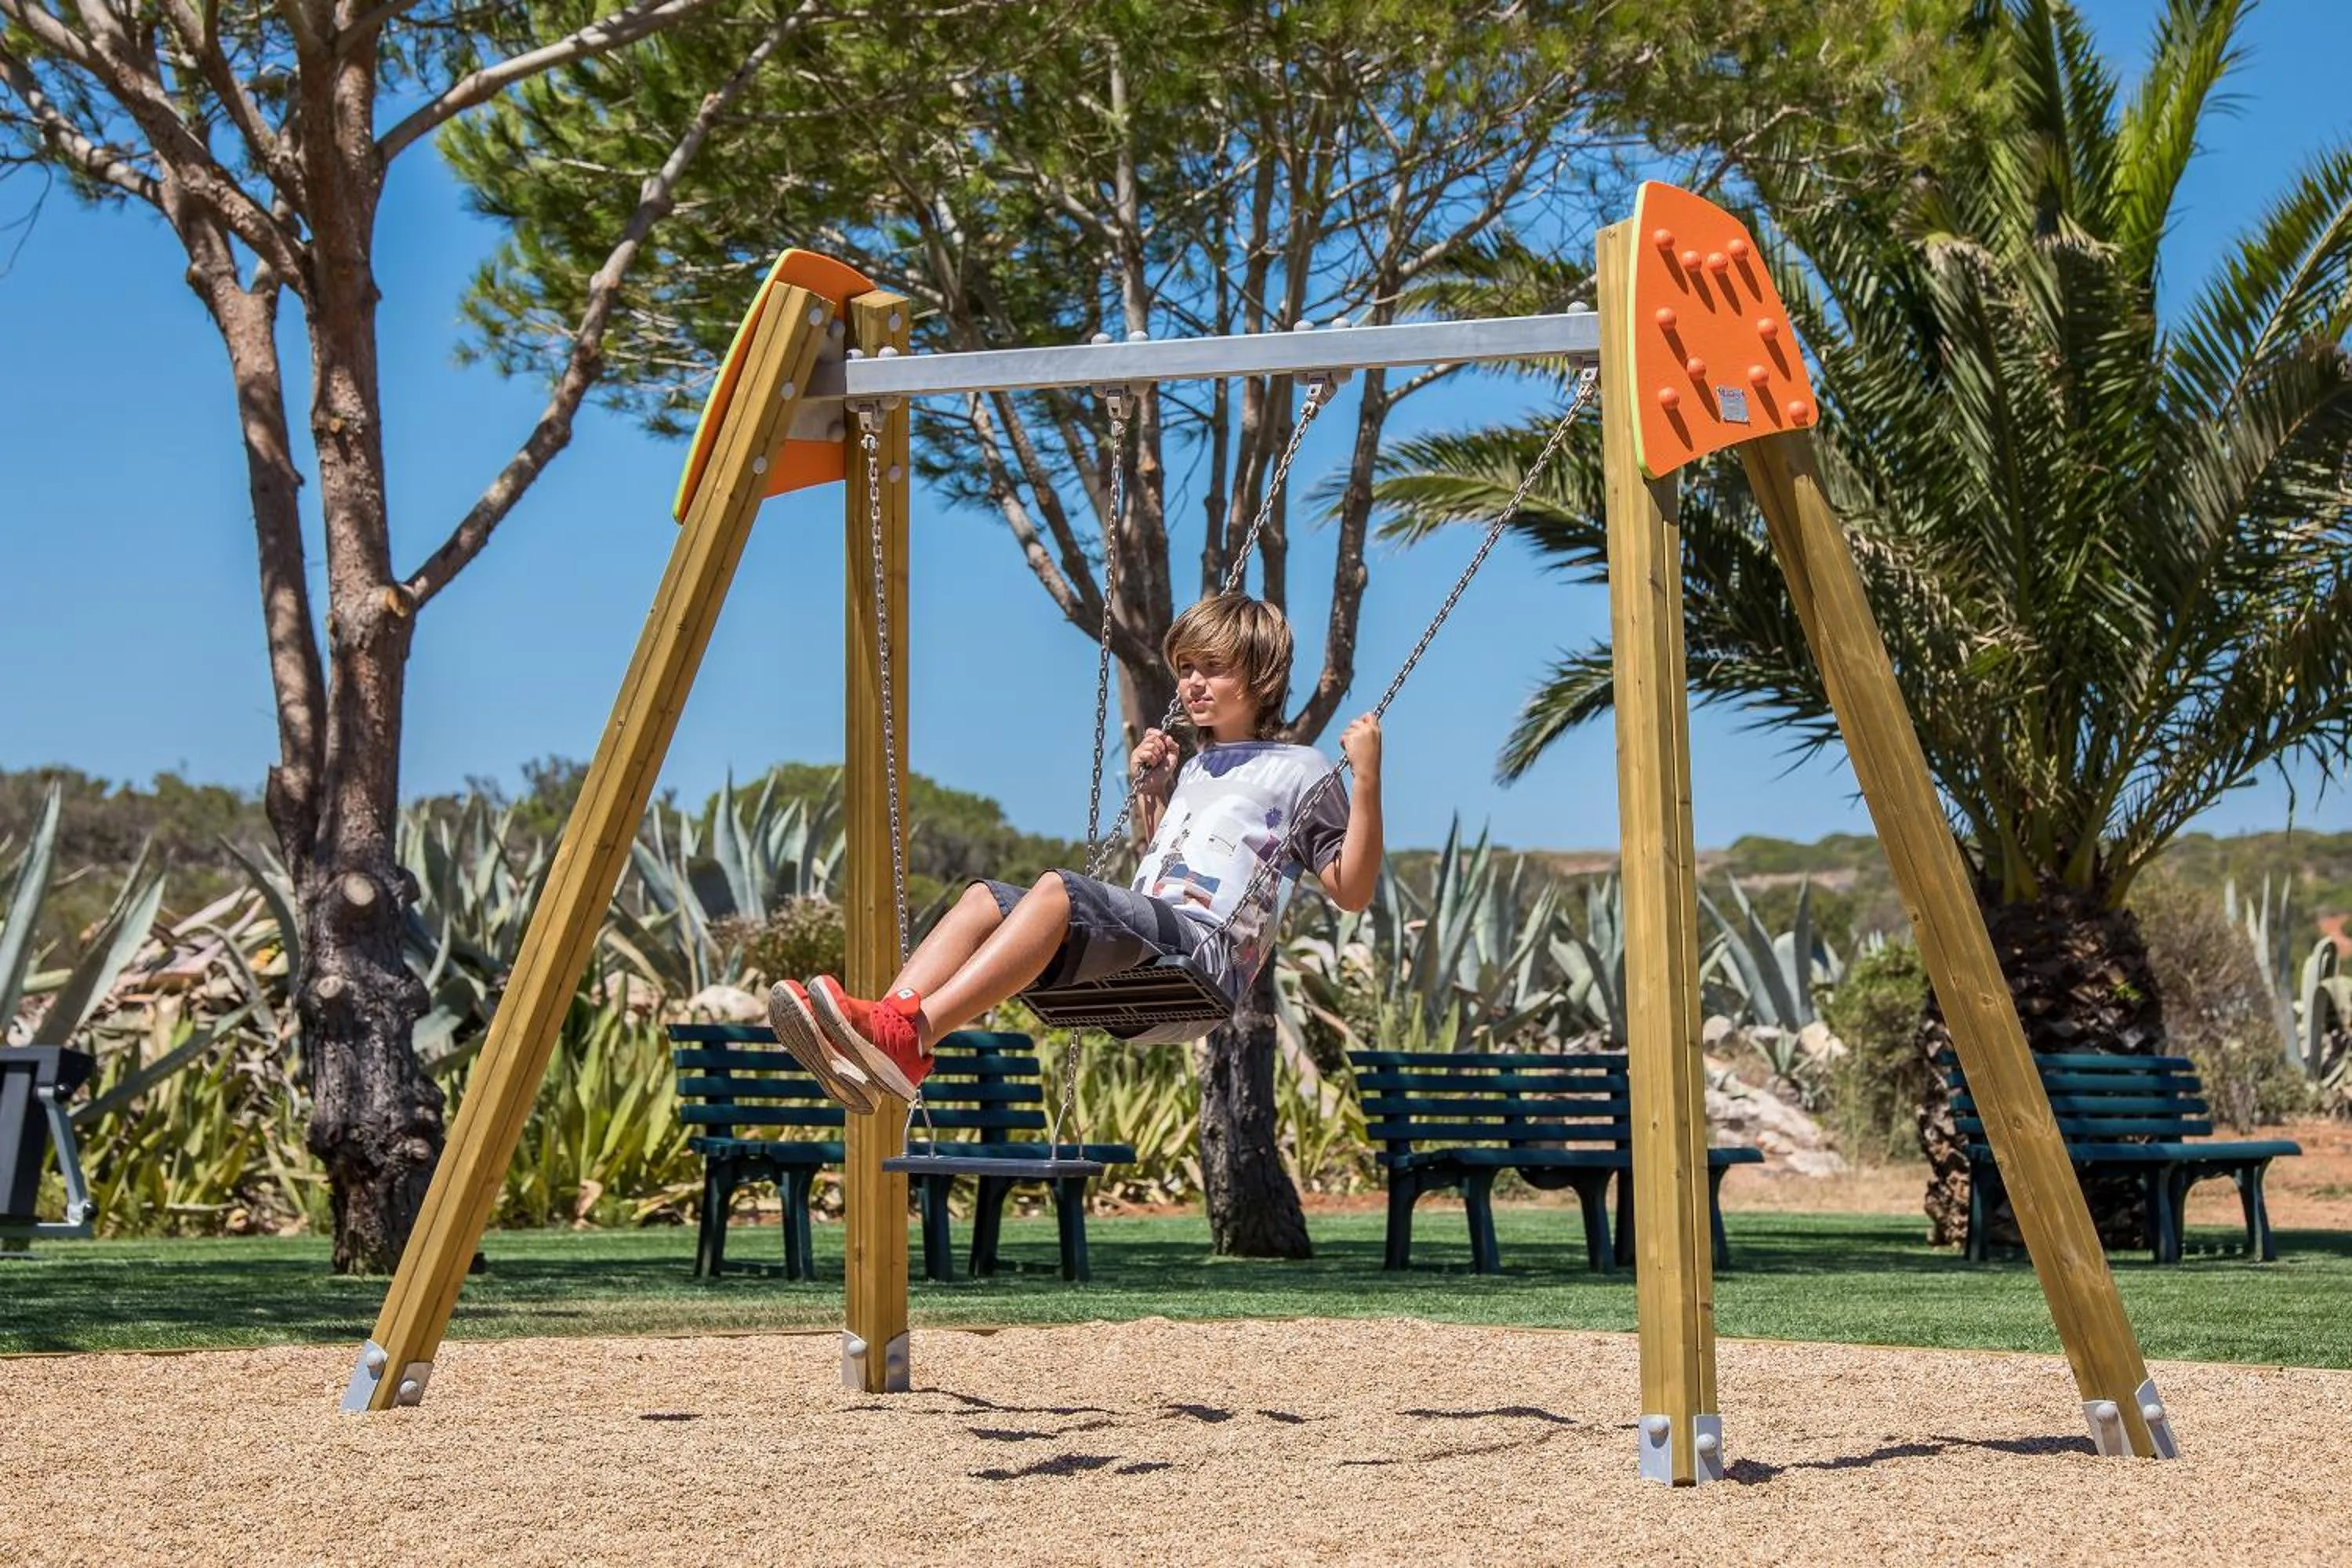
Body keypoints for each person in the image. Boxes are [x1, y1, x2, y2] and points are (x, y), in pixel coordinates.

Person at [768, 593, 1385, 1109]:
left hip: (1204, 959)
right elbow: (1168, 867)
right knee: (985, 900)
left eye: (1213, 667)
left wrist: (1366, 779)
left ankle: (911, 1036)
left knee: (1058, 891)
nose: (1193, 683)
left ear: (1262, 674)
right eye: (1186, 668)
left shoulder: (1300, 769)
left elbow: (1351, 891)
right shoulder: (1198, 766)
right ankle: (887, 1025)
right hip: (1152, 952)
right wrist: (1157, 795)